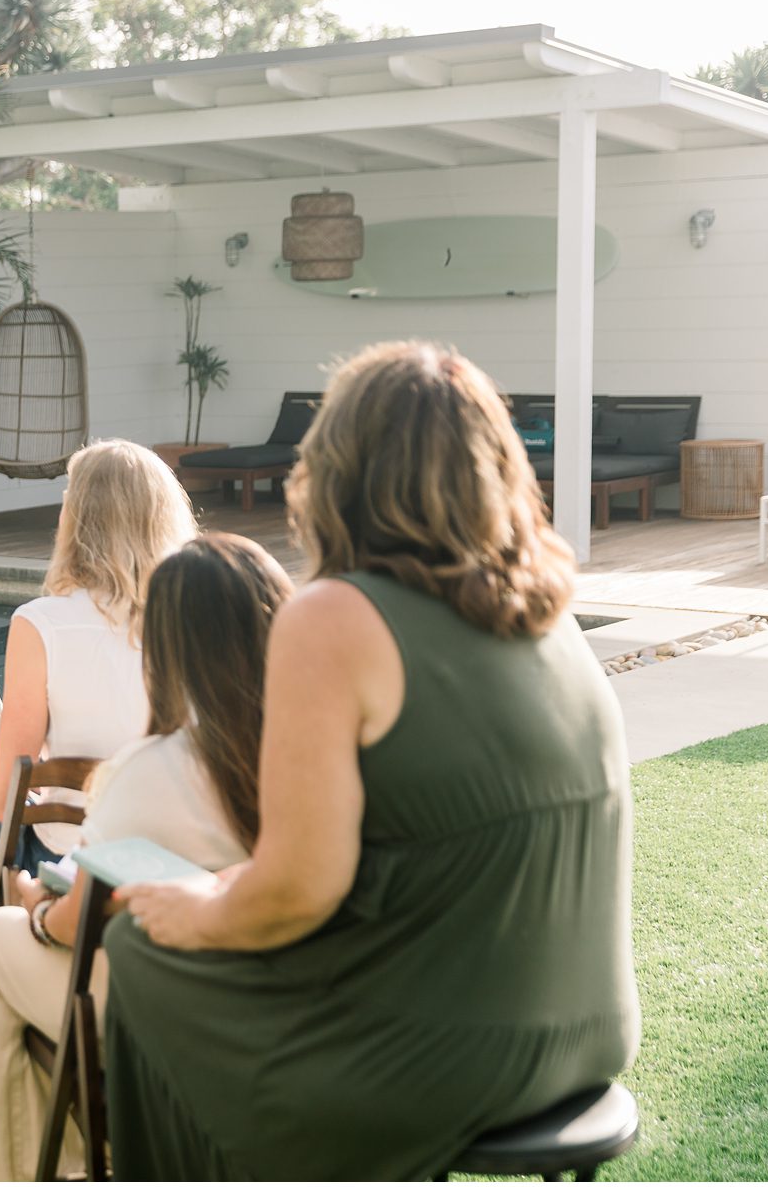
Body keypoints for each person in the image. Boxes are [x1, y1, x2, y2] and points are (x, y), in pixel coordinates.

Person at [105, 341, 640, 1179]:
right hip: (589, 1027)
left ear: (337, 469)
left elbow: (296, 889)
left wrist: (196, 910)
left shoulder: (334, 617)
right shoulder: (549, 613)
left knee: (140, 949)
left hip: (447, 1047)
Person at [0, 534, 289, 1180]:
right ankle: (71, 1153)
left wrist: (34, 908)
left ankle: (31, 1167)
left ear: (166, 648)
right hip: (280, 996)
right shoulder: (313, 749)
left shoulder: (146, 771)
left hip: (156, 1002)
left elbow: (75, 920)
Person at [0, 439, 196, 988]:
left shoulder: (43, 623)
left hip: (73, 866)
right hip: (174, 853)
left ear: (80, 520)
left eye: (68, 498)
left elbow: (0, 798)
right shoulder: (195, 616)